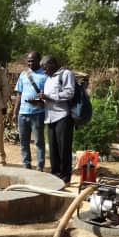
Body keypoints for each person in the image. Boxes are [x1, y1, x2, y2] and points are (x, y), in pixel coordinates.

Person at [38, 55, 75, 184]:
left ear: (53, 64)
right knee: (53, 148)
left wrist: (50, 96)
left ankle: (65, 176)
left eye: (45, 68)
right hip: (50, 117)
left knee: (64, 148)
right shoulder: (48, 79)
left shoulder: (66, 74)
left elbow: (69, 93)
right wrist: (40, 100)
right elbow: (48, 99)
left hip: (63, 116)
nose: (44, 71)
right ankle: (55, 174)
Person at [13, 51, 47, 171]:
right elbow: (18, 94)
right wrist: (15, 112)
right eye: (28, 61)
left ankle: (40, 165)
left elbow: (47, 95)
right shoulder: (23, 74)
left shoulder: (45, 75)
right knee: (23, 141)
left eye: (32, 60)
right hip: (23, 113)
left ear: (39, 61)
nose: (30, 63)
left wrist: (38, 100)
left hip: (38, 113)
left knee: (38, 141)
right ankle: (26, 164)